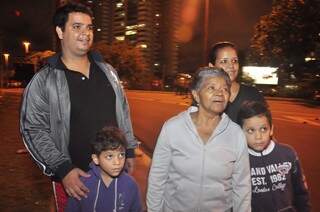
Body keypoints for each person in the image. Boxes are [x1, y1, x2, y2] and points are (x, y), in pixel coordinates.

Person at [19, 3, 137, 211]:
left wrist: (128, 151)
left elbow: (123, 114)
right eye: (76, 27)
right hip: (75, 182)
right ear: (60, 31)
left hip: (114, 175)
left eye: (89, 27)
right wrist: (63, 169)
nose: (85, 33)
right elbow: (33, 130)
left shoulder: (108, 71)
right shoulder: (44, 80)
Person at [147, 66, 251, 212]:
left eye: (225, 89)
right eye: (212, 88)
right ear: (196, 95)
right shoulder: (173, 128)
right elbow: (157, 177)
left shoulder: (236, 134)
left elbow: (242, 186)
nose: (220, 93)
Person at [237, 101, 311, 212]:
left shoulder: (288, 154)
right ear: (241, 132)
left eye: (263, 129)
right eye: (251, 130)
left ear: (271, 129)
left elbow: (301, 193)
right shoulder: (238, 160)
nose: (258, 137)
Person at [65, 126, 142, 212]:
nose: (117, 162)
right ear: (96, 159)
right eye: (109, 156)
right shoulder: (82, 185)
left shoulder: (130, 185)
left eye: (121, 155)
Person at [208, 41, 266, 124]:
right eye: (224, 61)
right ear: (212, 67)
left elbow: (264, 130)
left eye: (234, 61)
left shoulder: (253, 95)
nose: (231, 66)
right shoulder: (204, 97)